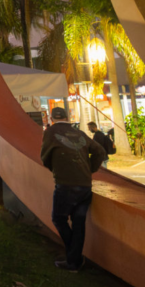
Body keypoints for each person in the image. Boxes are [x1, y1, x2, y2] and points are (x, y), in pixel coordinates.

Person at [40, 107, 106, 272]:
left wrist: (56, 169)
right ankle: (74, 261)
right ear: (67, 117)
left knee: (58, 218)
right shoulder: (79, 133)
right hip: (85, 186)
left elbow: (45, 157)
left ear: (52, 117)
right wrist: (90, 168)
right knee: (79, 223)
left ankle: (73, 258)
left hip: (66, 184)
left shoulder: (51, 132)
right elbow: (100, 151)